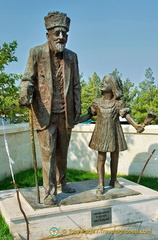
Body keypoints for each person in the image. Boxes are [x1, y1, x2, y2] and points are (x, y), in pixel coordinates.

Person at [19, 11, 81, 205]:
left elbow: (77, 85)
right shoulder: (36, 53)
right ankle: (49, 192)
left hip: (66, 114)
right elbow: (27, 79)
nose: (61, 36)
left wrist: (77, 110)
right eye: (57, 33)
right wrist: (25, 92)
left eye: (64, 33)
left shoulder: (72, 57)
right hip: (44, 114)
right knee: (48, 154)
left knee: (62, 152)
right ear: (48, 35)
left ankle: (63, 181)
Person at [80, 74, 144, 194]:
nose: (102, 83)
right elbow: (89, 115)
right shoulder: (96, 102)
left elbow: (126, 116)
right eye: (103, 80)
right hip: (101, 132)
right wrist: (76, 121)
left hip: (114, 132)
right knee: (101, 157)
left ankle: (113, 180)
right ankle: (100, 184)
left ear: (113, 86)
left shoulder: (118, 103)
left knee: (115, 156)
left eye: (106, 82)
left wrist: (136, 126)